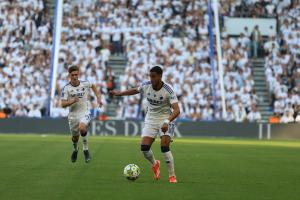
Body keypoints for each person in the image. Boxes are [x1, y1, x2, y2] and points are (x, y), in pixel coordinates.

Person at [109, 66, 180, 183]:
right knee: (144, 148)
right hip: (151, 119)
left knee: (164, 147)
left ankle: (172, 176)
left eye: (154, 76)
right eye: (150, 76)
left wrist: (167, 121)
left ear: (160, 77)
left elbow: (177, 110)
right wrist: (119, 94)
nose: (151, 79)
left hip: (165, 118)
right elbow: (135, 90)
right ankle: (155, 164)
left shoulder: (168, 90)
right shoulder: (146, 85)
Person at [61, 66, 102, 163]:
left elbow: (93, 86)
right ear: (69, 75)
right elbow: (63, 104)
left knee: (82, 128)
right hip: (73, 116)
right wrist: (72, 101)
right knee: (75, 138)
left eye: (76, 74)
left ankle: (85, 150)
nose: (75, 77)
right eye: (73, 75)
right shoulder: (66, 88)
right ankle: (75, 149)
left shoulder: (85, 84)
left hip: (85, 112)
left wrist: (98, 97)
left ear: (78, 74)